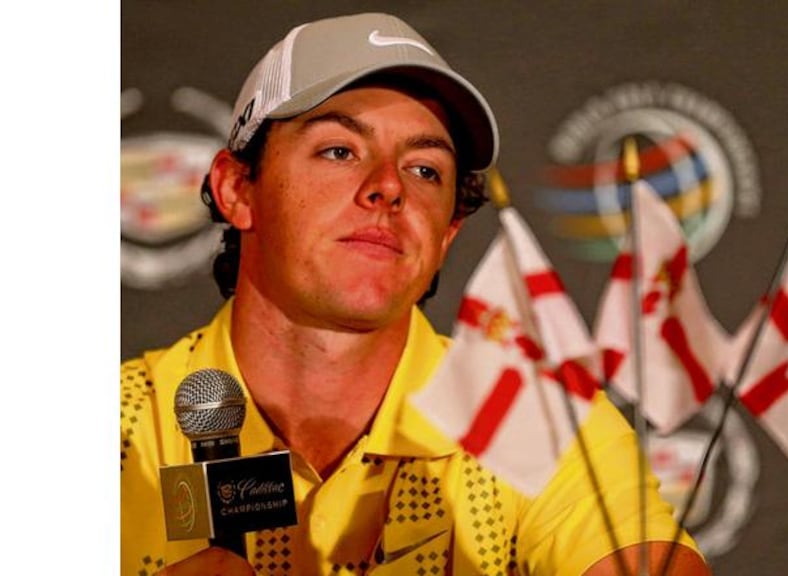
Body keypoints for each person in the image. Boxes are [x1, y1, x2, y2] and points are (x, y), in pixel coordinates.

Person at [120, 12, 710, 576]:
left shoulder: (529, 416)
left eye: (425, 169)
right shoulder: (119, 424)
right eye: (339, 151)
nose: (388, 187)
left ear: (447, 231)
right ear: (236, 188)